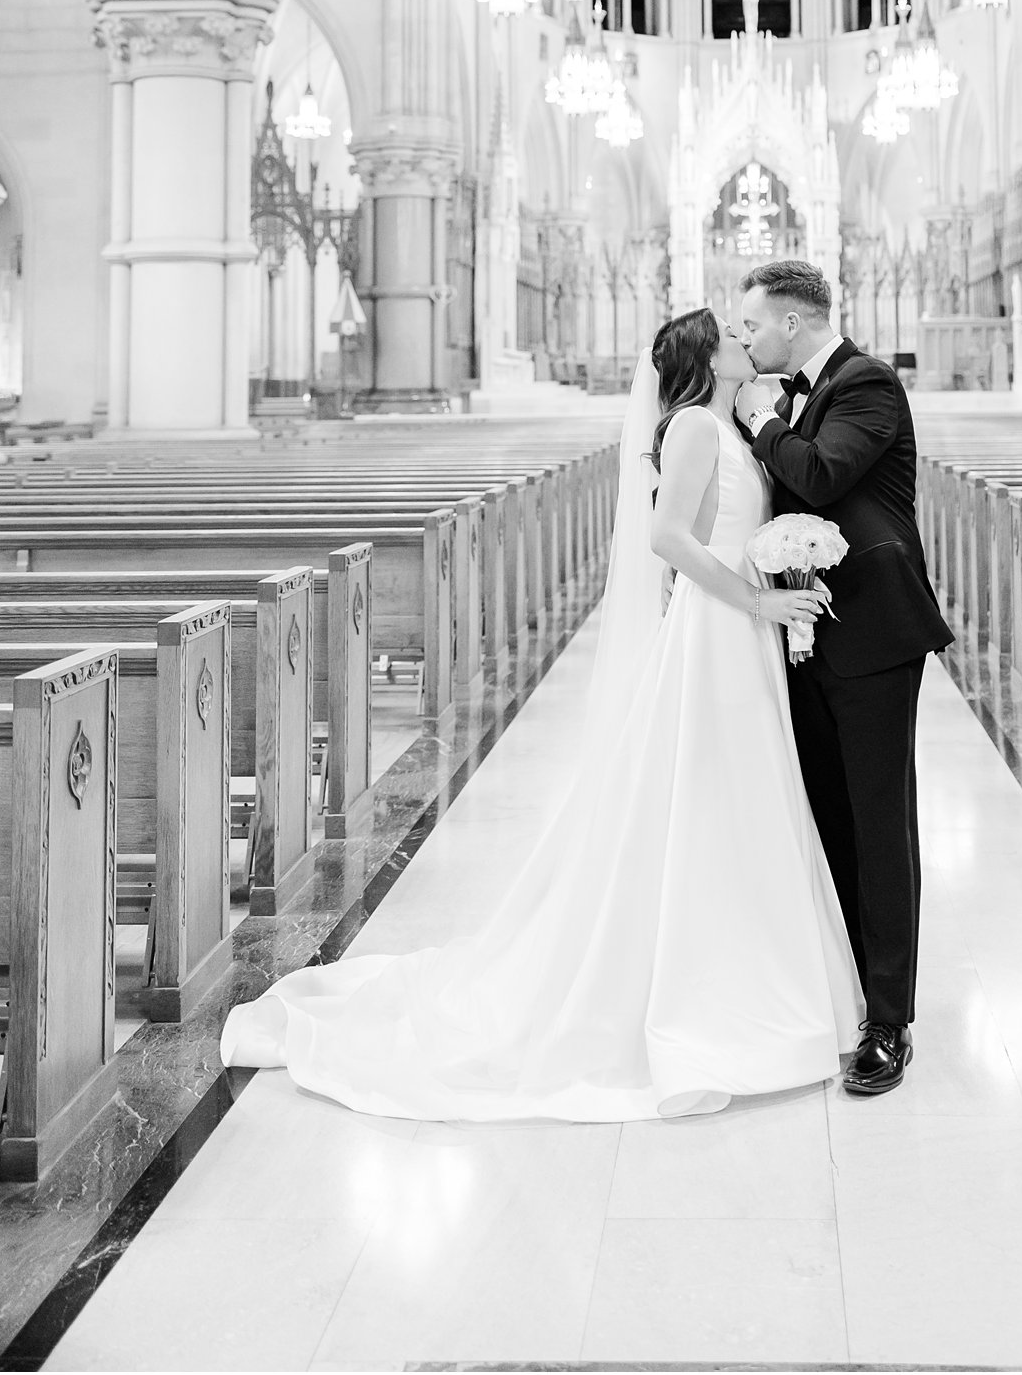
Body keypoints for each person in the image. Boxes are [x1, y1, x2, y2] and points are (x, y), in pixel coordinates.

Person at [219, 309, 861, 1121]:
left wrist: (772, 572)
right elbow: (668, 539)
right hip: (722, 629)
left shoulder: (729, 420)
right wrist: (757, 598)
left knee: (735, 795)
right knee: (710, 791)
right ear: (706, 358)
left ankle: (753, 969)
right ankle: (711, 987)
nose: (744, 336)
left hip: (739, 634)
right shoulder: (697, 422)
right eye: (730, 332)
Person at [736, 260, 952, 1097]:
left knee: (879, 820)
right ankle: (850, 985)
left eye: (753, 324)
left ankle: (890, 1020)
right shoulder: (793, 392)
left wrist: (759, 421)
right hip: (805, 635)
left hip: (872, 633)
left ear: (792, 322)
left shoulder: (868, 382)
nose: (746, 337)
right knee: (828, 814)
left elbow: (821, 474)